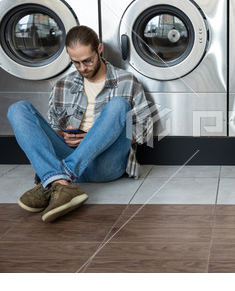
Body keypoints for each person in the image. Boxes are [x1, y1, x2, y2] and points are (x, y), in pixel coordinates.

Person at [7, 25, 152, 222]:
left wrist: (100, 135)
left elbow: (145, 131)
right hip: (69, 154)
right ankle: (61, 183)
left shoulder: (127, 81)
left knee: (119, 105)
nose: (82, 68)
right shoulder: (62, 85)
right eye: (76, 63)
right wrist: (63, 135)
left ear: (99, 49)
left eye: (87, 61)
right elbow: (51, 131)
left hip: (106, 164)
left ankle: (56, 178)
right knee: (18, 109)